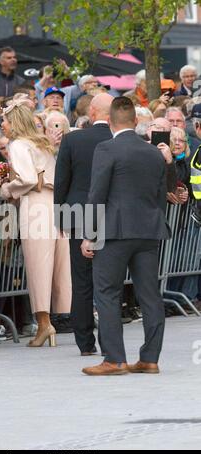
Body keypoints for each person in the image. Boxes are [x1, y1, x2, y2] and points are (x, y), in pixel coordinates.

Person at [81, 97, 171, 376]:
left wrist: (88, 235)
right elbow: (161, 195)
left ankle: (115, 359)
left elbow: (97, 193)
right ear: (135, 121)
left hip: (114, 232)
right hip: (148, 231)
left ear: (109, 122)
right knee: (150, 295)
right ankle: (150, 358)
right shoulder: (153, 153)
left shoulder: (106, 148)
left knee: (107, 293)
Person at [0, 102, 72, 347]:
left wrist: (7, 188)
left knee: (38, 266)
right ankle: (54, 318)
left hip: (35, 205)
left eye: (5, 122)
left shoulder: (18, 144)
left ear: (15, 122)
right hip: (55, 203)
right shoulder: (42, 143)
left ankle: (44, 323)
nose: (3, 126)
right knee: (59, 265)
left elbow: (28, 178)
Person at [54, 93, 113, 355]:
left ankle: (85, 343)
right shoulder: (116, 140)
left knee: (81, 283)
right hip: (114, 217)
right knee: (108, 282)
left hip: (79, 216)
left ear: (92, 111)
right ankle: (110, 341)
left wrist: (61, 219)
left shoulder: (73, 139)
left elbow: (61, 183)